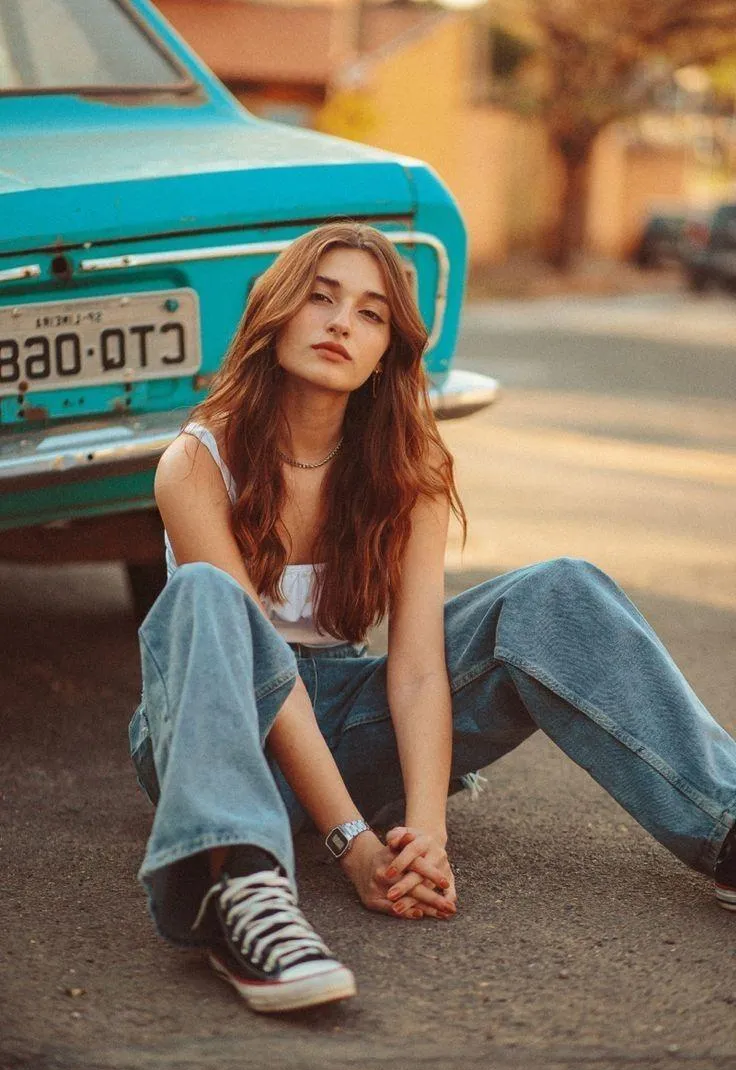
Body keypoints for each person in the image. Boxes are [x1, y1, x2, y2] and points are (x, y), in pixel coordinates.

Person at [128, 221, 736, 1016]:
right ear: (275, 312)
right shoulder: (197, 463)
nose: (342, 322)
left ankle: (725, 827)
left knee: (561, 589)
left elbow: (414, 672)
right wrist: (352, 847)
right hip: (223, 727)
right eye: (321, 298)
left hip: (349, 716)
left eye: (372, 314)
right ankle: (243, 893)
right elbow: (267, 683)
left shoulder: (406, 471)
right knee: (206, 598)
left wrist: (425, 837)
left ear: (390, 351)